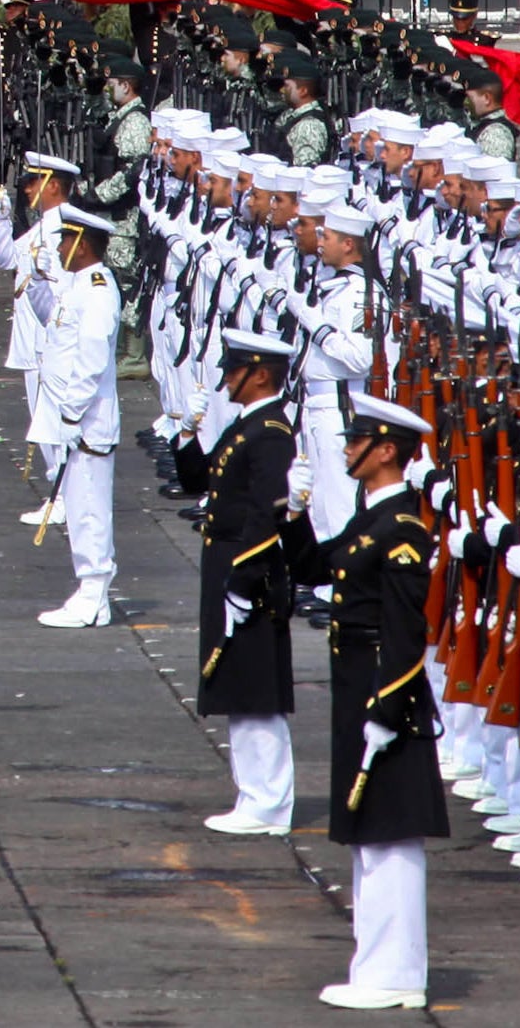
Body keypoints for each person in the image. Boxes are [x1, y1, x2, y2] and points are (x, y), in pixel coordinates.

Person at [282, 393, 447, 1010]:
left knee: (390, 834)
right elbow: (312, 568)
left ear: (385, 451)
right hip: (361, 687)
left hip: (382, 690)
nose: (345, 448)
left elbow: (407, 630)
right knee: (369, 835)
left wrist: (388, 708)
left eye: (357, 441)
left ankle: (396, 971)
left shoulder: (401, 528)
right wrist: (296, 509)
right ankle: (377, 964)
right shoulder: (371, 517)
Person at [175, 326, 299, 836]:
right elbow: (199, 479)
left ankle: (269, 802)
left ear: (261, 375)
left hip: (250, 574)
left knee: (256, 692)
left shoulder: (270, 432)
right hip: (227, 565)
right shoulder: (249, 424)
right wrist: (186, 432)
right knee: (237, 688)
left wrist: (244, 579)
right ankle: (254, 795)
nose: (227, 378)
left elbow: (267, 514)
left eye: (235, 370)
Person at [31, 205, 123, 628]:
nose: (61, 246)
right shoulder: (80, 284)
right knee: (81, 504)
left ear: (83, 245)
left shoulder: (98, 289)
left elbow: (91, 357)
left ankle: (93, 594)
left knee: (88, 509)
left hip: (86, 422)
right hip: (74, 419)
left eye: (66, 240)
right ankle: (90, 593)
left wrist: (70, 415)